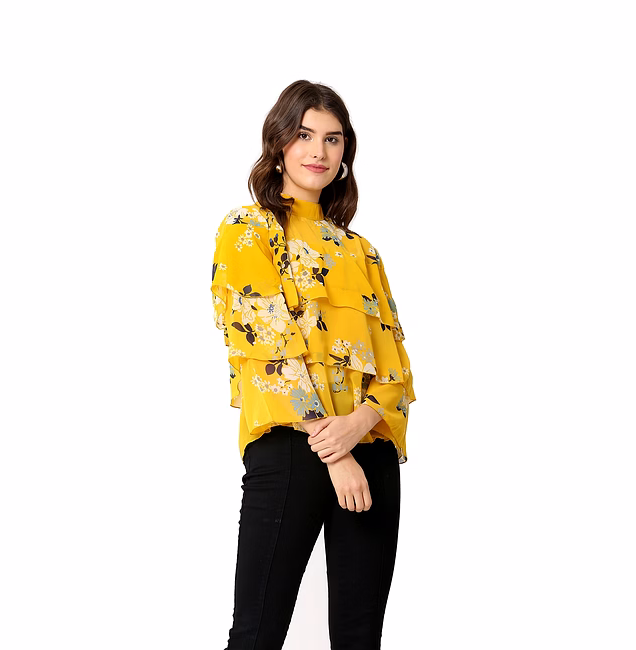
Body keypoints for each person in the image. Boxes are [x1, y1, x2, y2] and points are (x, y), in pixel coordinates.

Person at [211, 79, 416, 650]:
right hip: (292, 449)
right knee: (256, 635)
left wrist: (361, 424)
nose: (318, 152)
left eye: (332, 138)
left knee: (359, 638)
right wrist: (336, 450)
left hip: (371, 450)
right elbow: (268, 345)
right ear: (278, 142)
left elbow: (395, 368)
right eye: (304, 135)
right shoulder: (247, 229)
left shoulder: (361, 251)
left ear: (345, 151)